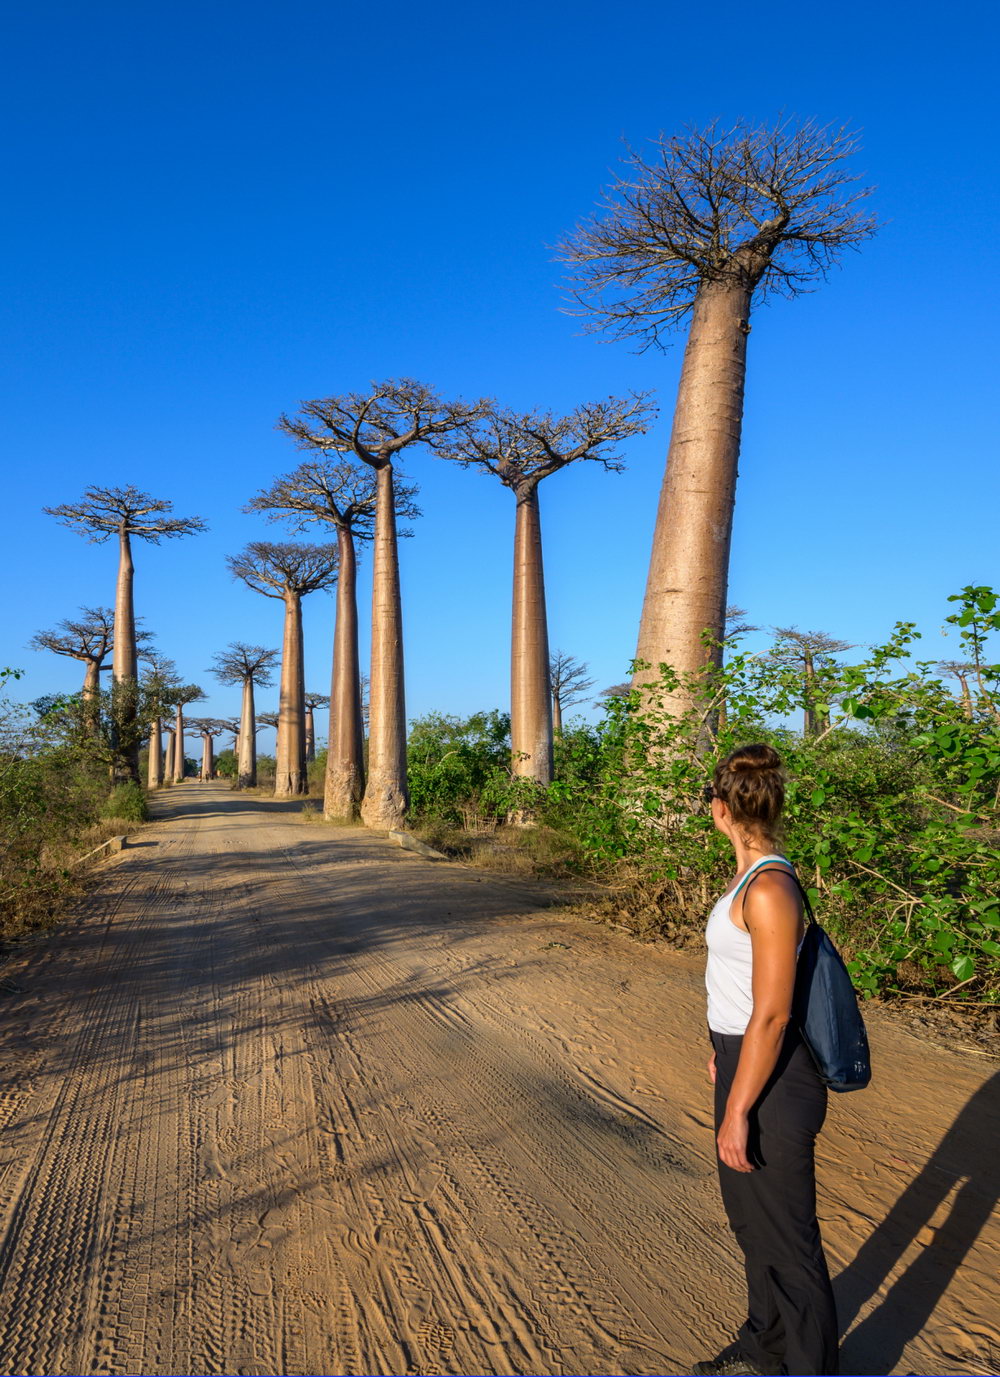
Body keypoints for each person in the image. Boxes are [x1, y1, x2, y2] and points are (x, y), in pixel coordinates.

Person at [692, 743, 839, 1377]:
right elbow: (737, 990)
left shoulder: (772, 888)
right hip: (742, 1059)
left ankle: (807, 1366)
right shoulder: (745, 878)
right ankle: (766, 1346)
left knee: (788, 1241)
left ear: (720, 809)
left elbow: (775, 1013)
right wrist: (720, 1057)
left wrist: (739, 1110)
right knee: (754, 1227)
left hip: (776, 1079)